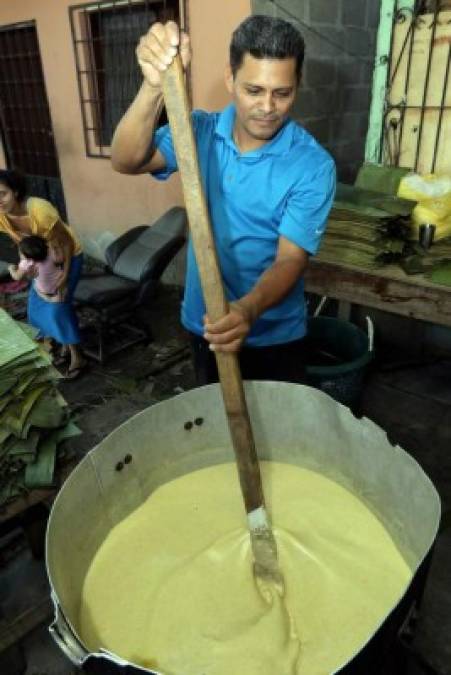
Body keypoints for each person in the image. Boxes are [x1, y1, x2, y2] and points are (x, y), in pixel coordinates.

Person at [111, 15, 336, 385]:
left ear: (297, 86)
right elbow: (126, 160)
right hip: (204, 323)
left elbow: (290, 259)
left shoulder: (312, 165)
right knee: (216, 424)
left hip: (274, 334)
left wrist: (247, 310)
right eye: (254, 90)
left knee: (275, 437)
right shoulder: (197, 131)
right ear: (230, 80)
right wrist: (154, 87)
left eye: (282, 93)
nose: (267, 107)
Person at [0, 170, 86, 378]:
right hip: (41, 262)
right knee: (36, 308)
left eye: (2, 194)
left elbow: (65, 242)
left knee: (58, 308)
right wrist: (27, 266)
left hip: (66, 257)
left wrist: (64, 274)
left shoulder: (40, 210)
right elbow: (20, 243)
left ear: (16, 192)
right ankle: (62, 344)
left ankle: (77, 356)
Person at [9, 234, 66, 302]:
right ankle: (61, 292)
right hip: (61, 281)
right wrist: (56, 247)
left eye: (21, 253)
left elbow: (17, 277)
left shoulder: (26, 263)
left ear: (28, 258)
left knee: (36, 288)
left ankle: (49, 299)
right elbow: (61, 259)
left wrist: (11, 269)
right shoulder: (50, 252)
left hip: (46, 289)